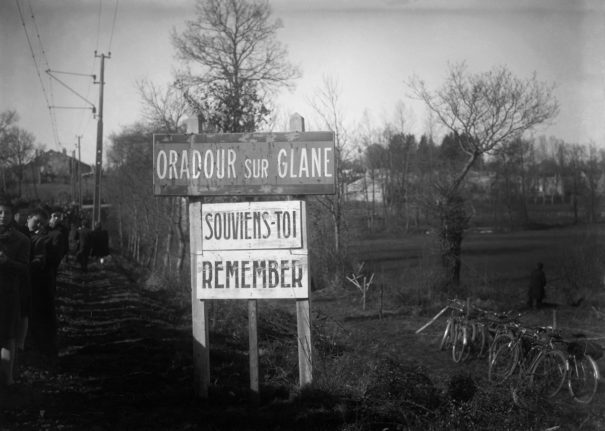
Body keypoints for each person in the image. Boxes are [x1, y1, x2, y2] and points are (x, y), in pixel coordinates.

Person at [0, 197, 30, 386]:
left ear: (12, 216)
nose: (2, 216)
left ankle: (7, 379)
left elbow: (25, 269)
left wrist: (6, 262)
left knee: (6, 337)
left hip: (7, 294)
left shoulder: (21, 240)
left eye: (7, 213)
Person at [27, 208, 57, 359]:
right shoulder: (25, 235)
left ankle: (46, 351)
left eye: (41, 223)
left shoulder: (44, 238)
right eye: (36, 221)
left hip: (41, 283)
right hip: (31, 281)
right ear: (28, 218)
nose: (38, 225)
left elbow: (45, 260)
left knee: (41, 316)